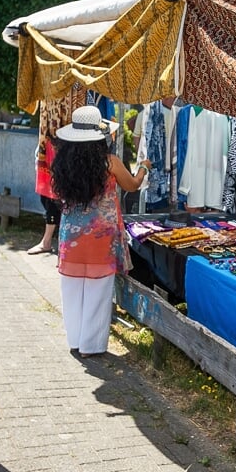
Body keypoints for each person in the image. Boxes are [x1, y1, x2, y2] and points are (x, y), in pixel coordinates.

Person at [50, 105, 147, 357]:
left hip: (70, 237)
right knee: (98, 292)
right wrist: (144, 167)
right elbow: (133, 185)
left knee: (71, 291)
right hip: (100, 239)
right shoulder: (110, 162)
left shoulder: (62, 162)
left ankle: (75, 339)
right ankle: (91, 346)